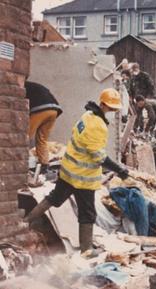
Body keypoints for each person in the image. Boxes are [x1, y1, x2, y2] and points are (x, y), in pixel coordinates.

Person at [24, 89, 129, 255]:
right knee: (87, 213)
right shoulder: (98, 126)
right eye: (111, 108)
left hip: (68, 172)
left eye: (115, 109)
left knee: (53, 198)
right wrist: (119, 169)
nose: (113, 111)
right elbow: (98, 156)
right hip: (83, 179)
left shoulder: (87, 116)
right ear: (102, 104)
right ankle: (86, 250)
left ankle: (25, 222)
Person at [25, 81, 63, 173]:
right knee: (42, 139)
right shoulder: (31, 85)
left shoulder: (18, 86)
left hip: (40, 109)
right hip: (54, 110)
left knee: (24, 137)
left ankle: (21, 164)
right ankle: (44, 166)